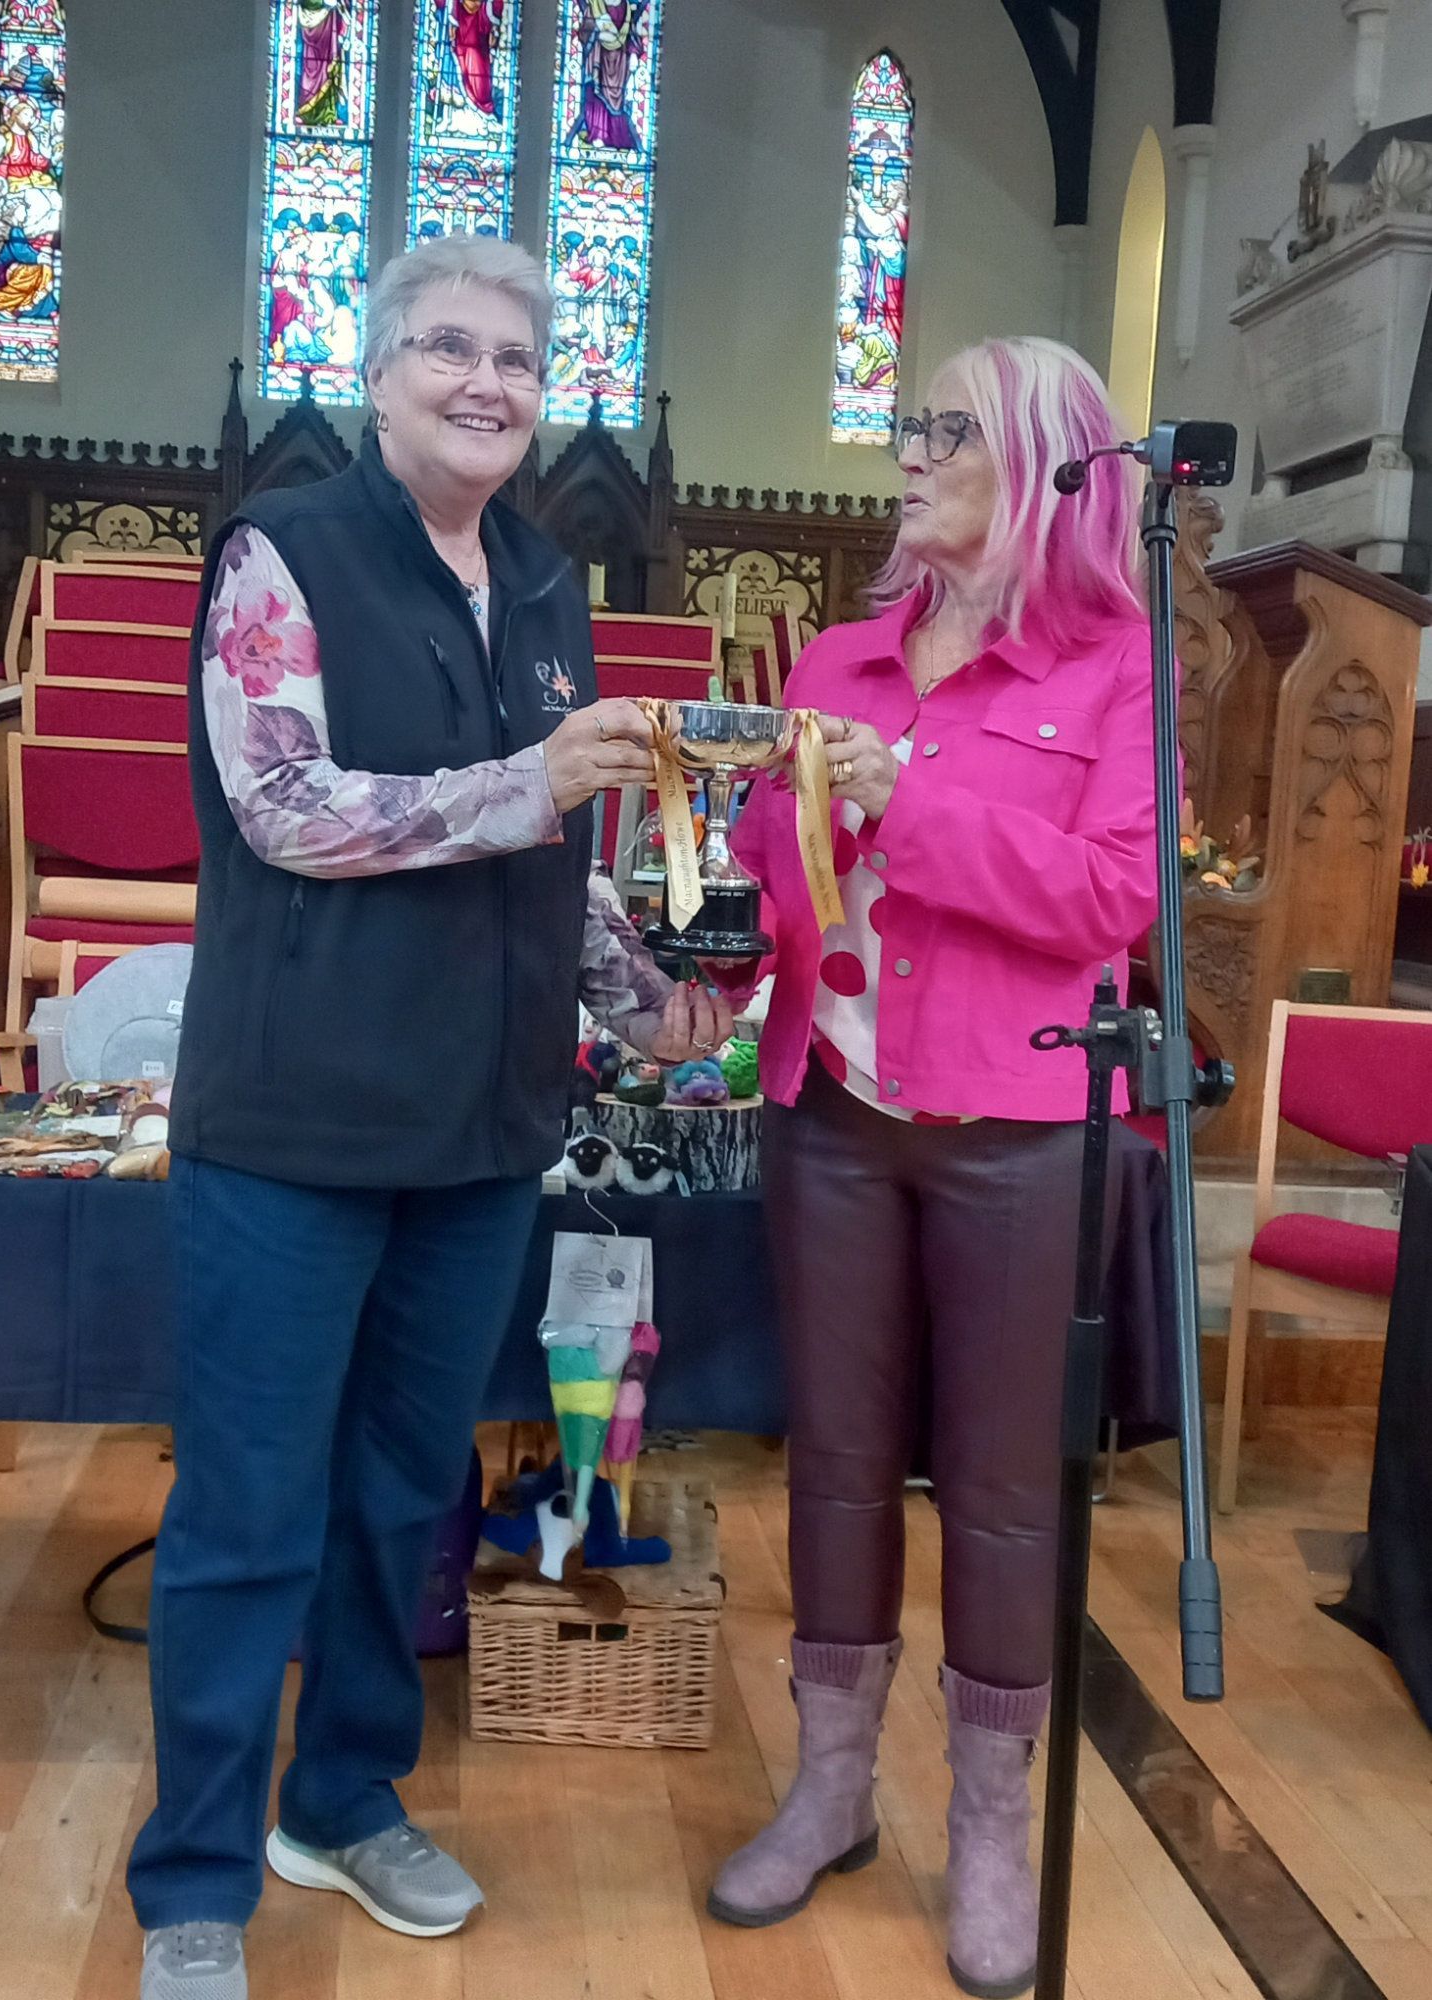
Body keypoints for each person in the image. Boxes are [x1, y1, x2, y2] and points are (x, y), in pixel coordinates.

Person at [127, 233, 729, 2000]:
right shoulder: (282, 551)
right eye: (449, 350)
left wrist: (650, 1006)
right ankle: (195, 1880)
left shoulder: (546, 581)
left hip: (480, 1130)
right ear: (378, 372)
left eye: (518, 363)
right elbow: (290, 809)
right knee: (250, 1512)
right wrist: (532, 782)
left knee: (403, 1498)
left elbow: (560, 851)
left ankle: (345, 1793)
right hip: (297, 1125)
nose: (486, 384)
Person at [706, 336, 1159, 1999]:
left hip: (1019, 1128)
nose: (906, 454)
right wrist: (706, 932)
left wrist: (914, 806)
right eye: (906, 427)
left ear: (1041, 457)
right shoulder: (833, 661)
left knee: (1000, 1487)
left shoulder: (1116, 666)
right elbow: (769, 874)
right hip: (832, 1104)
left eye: (940, 429)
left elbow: (1112, 903)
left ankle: (986, 1821)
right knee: (829, 1458)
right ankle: (831, 1787)